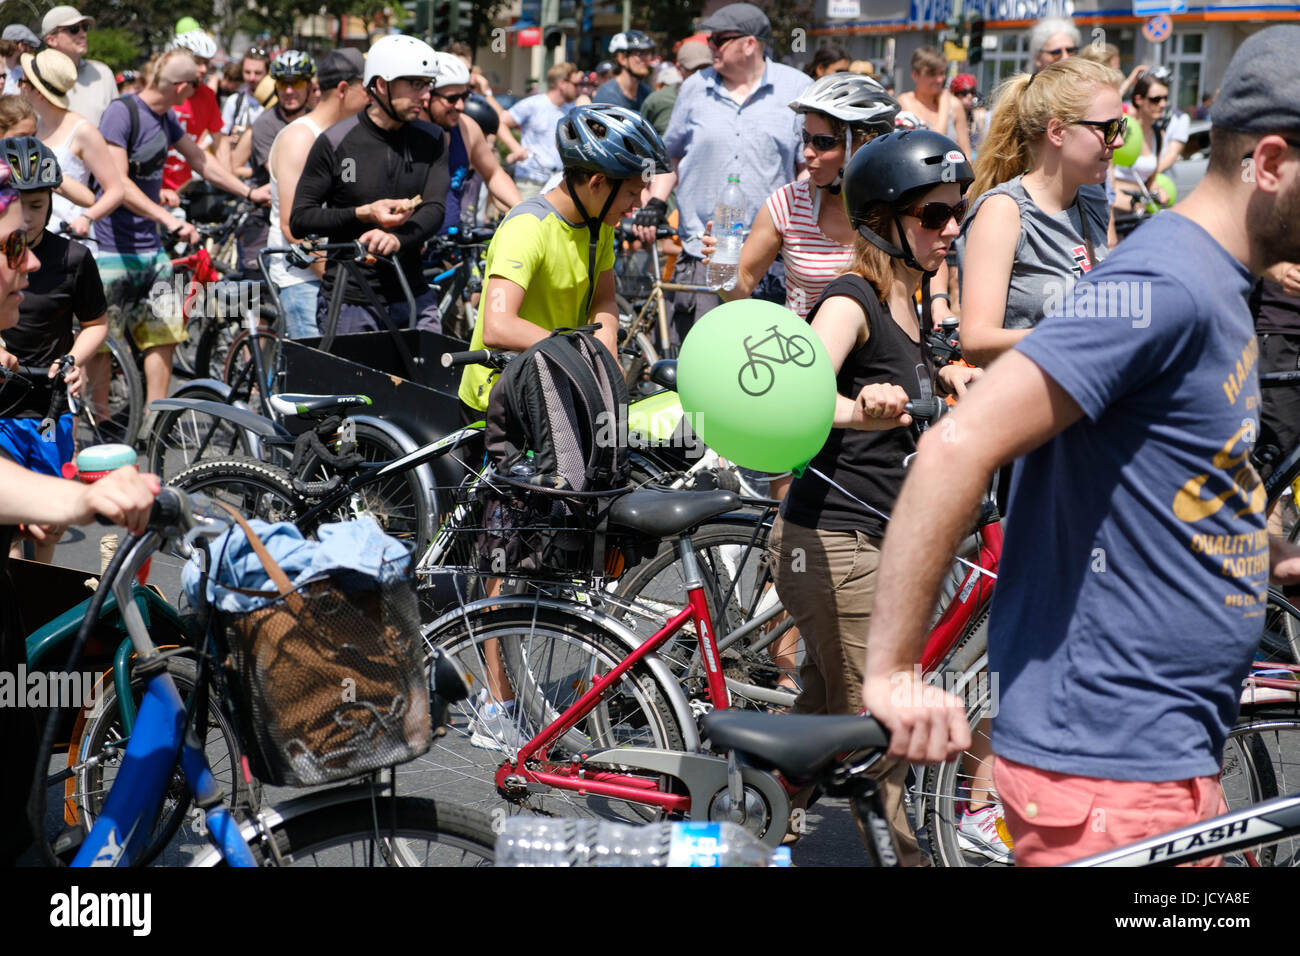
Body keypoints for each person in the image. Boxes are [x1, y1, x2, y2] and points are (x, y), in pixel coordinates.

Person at [860, 24, 1300, 867]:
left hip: (1163, 763)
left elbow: (1163, 472)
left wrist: (1257, 548)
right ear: (1271, 164)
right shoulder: (1162, 284)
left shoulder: (1208, 278)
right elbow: (959, 446)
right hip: (1108, 775)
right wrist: (893, 674)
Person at [766, 128, 980, 865]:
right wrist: (860, 409)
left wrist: (948, 377)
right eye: (933, 217)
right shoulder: (850, 299)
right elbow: (796, 395)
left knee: (823, 713)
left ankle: (743, 817)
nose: (950, 230)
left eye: (957, 213)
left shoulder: (913, 304)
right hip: (836, 540)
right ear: (883, 221)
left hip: (874, 541)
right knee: (878, 730)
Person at [458, 104, 667, 418]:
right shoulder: (528, 226)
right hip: (501, 400)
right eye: (632, 193)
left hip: (559, 385)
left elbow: (604, 297)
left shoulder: (600, 222)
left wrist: (607, 342)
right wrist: (583, 356)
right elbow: (498, 327)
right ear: (596, 183)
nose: (636, 205)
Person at [94, 48, 270, 407]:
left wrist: (249, 192)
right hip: (112, 246)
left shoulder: (164, 119)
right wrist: (169, 219)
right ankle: (103, 422)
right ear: (181, 86)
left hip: (152, 245)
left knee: (164, 334)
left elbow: (201, 161)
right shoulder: (121, 113)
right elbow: (119, 183)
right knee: (103, 341)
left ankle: (155, 419)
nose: (198, 92)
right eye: (196, 84)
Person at [642, 2, 812, 344]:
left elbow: (807, 167)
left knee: (763, 363)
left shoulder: (797, 88)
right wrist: (655, 201)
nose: (710, 48)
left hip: (771, 259)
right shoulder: (693, 88)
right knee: (697, 364)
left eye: (719, 40)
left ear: (749, 44)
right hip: (703, 256)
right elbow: (668, 156)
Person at [959, 57, 1121, 368]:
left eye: (1121, 126)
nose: (1119, 141)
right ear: (1058, 131)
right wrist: (1076, 336)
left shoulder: (1094, 199)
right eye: (1109, 128)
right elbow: (976, 340)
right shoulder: (1004, 212)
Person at [289, 34, 448, 335]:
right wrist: (362, 213)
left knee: (435, 382)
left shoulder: (432, 138)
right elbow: (300, 219)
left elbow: (435, 207)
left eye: (427, 84)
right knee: (357, 385)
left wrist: (399, 238)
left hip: (414, 296)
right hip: (351, 302)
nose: (425, 95)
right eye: (414, 84)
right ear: (380, 85)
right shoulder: (336, 142)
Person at [0, 138, 107, 561]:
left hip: (48, 406)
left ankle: (34, 611)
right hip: (3, 406)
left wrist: (74, 360)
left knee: (47, 531)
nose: (27, 218)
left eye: (38, 205)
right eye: (18, 204)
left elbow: (96, 324)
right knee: (9, 530)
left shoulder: (72, 258)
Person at [266, 48, 368, 340]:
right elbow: (292, 226)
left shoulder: (345, 136)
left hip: (336, 279)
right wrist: (334, 279)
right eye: (366, 87)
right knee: (310, 380)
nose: (372, 95)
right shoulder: (300, 138)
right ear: (343, 90)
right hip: (304, 281)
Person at [16, 48, 125, 237]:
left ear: (39, 92)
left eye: (23, 81)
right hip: (36, 236)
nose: (19, 87)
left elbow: (116, 190)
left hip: (70, 238)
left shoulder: (82, 131)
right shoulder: (36, 127)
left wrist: (87, 218)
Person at [424, 52, 520, 235]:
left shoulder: (466, 127)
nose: (460, 105)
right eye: (451, 98)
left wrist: (522, 210)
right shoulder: (407, 131)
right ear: (427, 96)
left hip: (451, 248)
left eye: (465, 95)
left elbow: (493, 174)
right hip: (410, 250)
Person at [158, 30, 229, 205]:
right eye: (197, 62)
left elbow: (219, 140)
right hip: (153, 189)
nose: (203, 69)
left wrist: (228, 181)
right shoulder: (160, 91)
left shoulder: (207, 96)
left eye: (206, 63)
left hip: (183, 190)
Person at [497, 62, 581, 202]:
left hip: (558, 183)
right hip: (530, 181)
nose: (578, 89)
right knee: (524, 221)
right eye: (575, 84)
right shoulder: (534, 104)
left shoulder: (571, 109)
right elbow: (501, 123)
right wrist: (516, 149)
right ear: (562, 84)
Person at [1110, 69, 1178, 211]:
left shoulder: (1158, 134)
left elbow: (1150, 181)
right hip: (1115, 210)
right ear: (1138, 99)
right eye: (1156, 99)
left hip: (1140, 212)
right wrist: (1129, 82)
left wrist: (1159, 191)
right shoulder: (1122, 127)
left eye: (1166, 98)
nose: (1163, 104)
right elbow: (1107, 184)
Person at [40, 6, 114, 126]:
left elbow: (116, 124)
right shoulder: (35, 77)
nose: (83, 34)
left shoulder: (103, 73)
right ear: (51, 40)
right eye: (74, 29)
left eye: (85, 28)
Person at [896, 47, 971, 159]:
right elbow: (935, 142)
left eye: (942, 73)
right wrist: (944, 103)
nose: (939, 79)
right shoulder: (905, 103)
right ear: (915, 75)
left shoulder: (955, 105)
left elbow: (966, 153)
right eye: (932, 74)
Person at [640, 40, 711, 137]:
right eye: (694, 69)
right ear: (678, 68)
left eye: (706, 68)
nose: (701, 74)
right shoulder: (657, 101)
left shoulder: (720, 99)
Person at [594, 31, 656, 112]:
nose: (646, 59)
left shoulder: (646, 93)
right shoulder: (607, 96)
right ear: (622, 59)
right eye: (639, 53)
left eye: (648, 53)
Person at [220, 47, 270, 142]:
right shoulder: (234, 101)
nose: (252, 78)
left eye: (258, 73)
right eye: (247, 72)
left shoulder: (276, 105)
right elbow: (221, 138)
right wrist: (230, 139)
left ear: (267, 73)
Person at [949, 73, 988, 158]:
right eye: (964, 92)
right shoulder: (949, 117)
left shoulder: (979, 115)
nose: (970, 96)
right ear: (955, 95)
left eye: (972, 92)